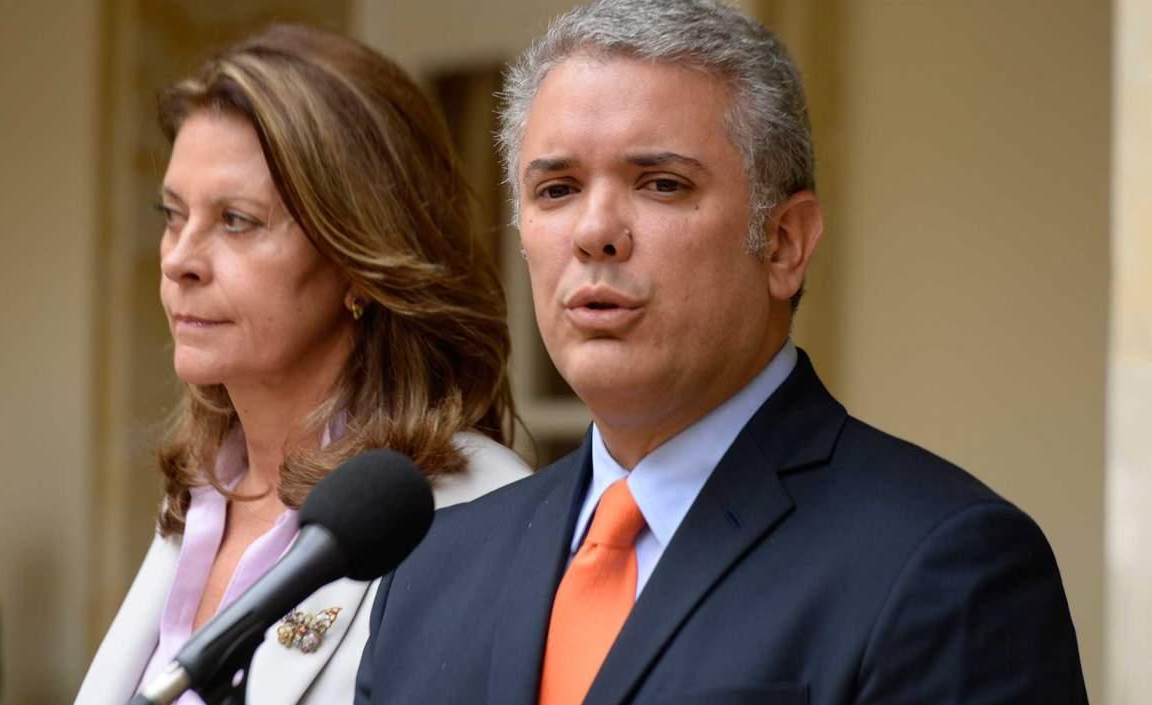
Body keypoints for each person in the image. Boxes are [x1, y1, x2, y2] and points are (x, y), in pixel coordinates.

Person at [355, 1, 1088, 704]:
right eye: (557, 189)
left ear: (785, 243)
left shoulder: (944, 565)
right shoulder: (429, 568)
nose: (595, 230)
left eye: (662, 184)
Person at [74, 23, 531, 705]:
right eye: (173, 214)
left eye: (236, 221)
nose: (178, 260)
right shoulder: (205, 492)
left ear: (359, 260)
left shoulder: (476, 509)